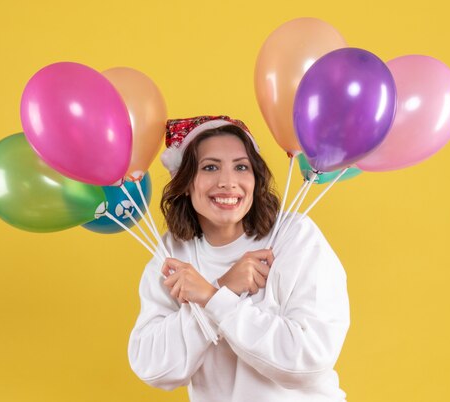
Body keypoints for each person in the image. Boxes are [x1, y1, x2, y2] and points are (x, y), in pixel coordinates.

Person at [128, 116, 350, 402]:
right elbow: (153, 367)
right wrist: (225, 286)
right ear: (184, 182)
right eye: (210, 167)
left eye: (241, 167)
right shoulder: (174, 252)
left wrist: (212, 297)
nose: (228, 182)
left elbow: (308, 359)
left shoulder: (294, 237)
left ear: (255, 178)